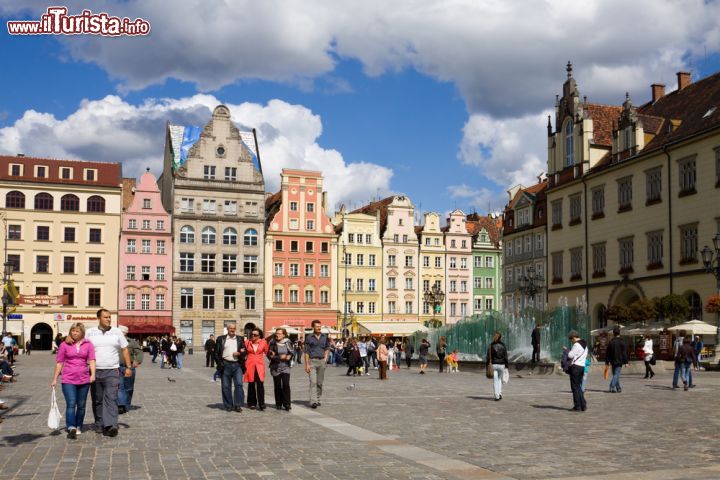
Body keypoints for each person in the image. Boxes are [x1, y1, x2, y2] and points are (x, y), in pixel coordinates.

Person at [85, 309, 133, 437]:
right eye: (105, 317)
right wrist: (68, 338)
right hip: (94, 371)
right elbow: (80, 344)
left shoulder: (116, 332)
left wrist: (128, 367)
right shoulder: (90, 332)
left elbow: (124, 349)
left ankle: (111, 425)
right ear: (99, 318)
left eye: (109, 317)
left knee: (111, 398)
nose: (108, 319)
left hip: (112, 370)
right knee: (97, 399)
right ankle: (100, 423)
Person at [51, 323, 96, 439]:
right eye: (73, 331)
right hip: (68, 379)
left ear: (82, 332)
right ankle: (71, 426)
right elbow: (60, 362)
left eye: (77, 331)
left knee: (81, 405)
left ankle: (78, 425)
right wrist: (55, 379)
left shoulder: (88, 344)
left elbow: (91, 360)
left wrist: (93, 375)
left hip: (84, 379)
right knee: (71, 403)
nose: (75, 333)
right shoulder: (64, 345)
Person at [214, 323, 247, 412]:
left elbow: (245, 351)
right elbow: (216, 353)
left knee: (239, 385)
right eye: (230, 328)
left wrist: (240, 353)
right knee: (225, 386)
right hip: (225, 364)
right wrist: (220, 364)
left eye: (234, 328)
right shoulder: (221, 339)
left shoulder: (240, 339)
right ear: (227, 329)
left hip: (237, 365)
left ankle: (237, 405)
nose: (232, 330)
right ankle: (228, 405)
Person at [117, 326, 143, 415]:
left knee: (129, 387)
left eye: (121, 332)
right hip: (117, 367)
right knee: (120, 387)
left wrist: (137, 361)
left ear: (125, 333)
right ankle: (121, 405)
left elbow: (139, 352)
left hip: (129, 367)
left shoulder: (132, 342)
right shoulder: (114, 341)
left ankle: (127, 404)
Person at [304, 320, 330, 409]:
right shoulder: (308, 337)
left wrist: (326, 357)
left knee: (319, 383)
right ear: (313, 327)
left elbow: (327, 347)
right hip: (312, 361)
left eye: (320, 326)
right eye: (317, 326)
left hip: (322, 361)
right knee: (313, 382)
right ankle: (313, 401)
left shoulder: (325, 337)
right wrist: (307, 364)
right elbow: (306, 352)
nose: (319, 328)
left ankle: (318, 399)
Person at [268, 328, 293, 410]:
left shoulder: (288, 342)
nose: (277, 335)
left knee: (286, 385)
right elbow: (269, 356)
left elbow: (291, 352)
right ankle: (278, 403)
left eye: (279, 333)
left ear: (284, 335)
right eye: (276, 333)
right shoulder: (272, 343)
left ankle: (287, 404)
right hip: (276, 367)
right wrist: (279, 357)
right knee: (277, 386)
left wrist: (289, 356)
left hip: (286, 367)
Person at [244, 328, 268, 410]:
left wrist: (273, 357)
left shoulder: (263, 342)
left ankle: (261, 403)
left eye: (255, 335)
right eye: (252, 334)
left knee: (260, 384)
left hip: (259, 365)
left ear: (259, 336)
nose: (253, 336)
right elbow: (243, 352)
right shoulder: (247, 342)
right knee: (251, 384)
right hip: (250, 365)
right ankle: (252, 403)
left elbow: (267, 352)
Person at [565, 330, 588, 412]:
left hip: (576, 367)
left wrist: (567, 351)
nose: (571, 341)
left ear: (574, 337)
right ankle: (583, 404)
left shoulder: (576, 345)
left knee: (575, 387)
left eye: (571, 339)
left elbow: (570, 355)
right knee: (578, 387)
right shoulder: (585, 345)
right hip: (582, 367)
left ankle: (577, 406)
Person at [605, 326, 628, 393]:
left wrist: (607, 362)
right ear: (619, 333)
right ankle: (612, 387)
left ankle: (618, 388)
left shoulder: (611, 342)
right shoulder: (622, 341)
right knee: (616, 374)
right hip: (619, 360)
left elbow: (607, 353)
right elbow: (624, 353)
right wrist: (626, 362)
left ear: (613, 333)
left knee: (615, 374)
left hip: (612, 361)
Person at [488, 332, 508, 400]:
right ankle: (499, 393)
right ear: (500, 337)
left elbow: (488, 356)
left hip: (494, 364)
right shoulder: (503, 345)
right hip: (502, 365)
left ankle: (496, 395)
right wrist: (507, 366)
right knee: (499, 379)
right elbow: (505, 356)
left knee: (495, 380)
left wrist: (488, 365)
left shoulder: (491, 345)